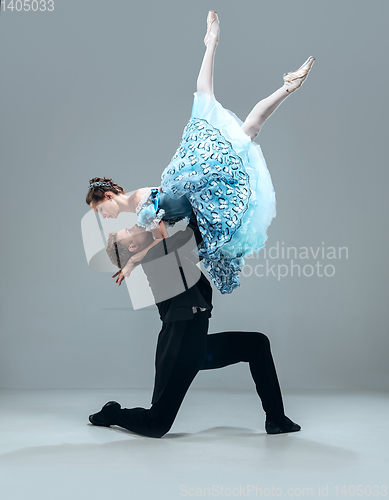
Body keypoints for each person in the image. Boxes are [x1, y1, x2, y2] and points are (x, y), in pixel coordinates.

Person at [85, 11, 315, 293]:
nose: (103, 215)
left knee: (225, 115)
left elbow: (162, 242)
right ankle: (280, 82)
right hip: (199, 185)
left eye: (100, 209)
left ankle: (221, 48)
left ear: (108, 196)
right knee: (236, 122)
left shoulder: (142, 206)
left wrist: (132, 263)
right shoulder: (138, 206)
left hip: (198, 175)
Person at [88, 213, 301, 437]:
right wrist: (197, 199)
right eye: (130, 231)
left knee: (257, 344)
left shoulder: (167, 252)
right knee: (157, 424)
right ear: (133, 247)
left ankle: (277, 420)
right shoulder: (155, 254)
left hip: (195, 343)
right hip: (178, 345)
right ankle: (112, 413)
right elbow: (193, 233)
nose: (133, 226)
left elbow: (191, 241)